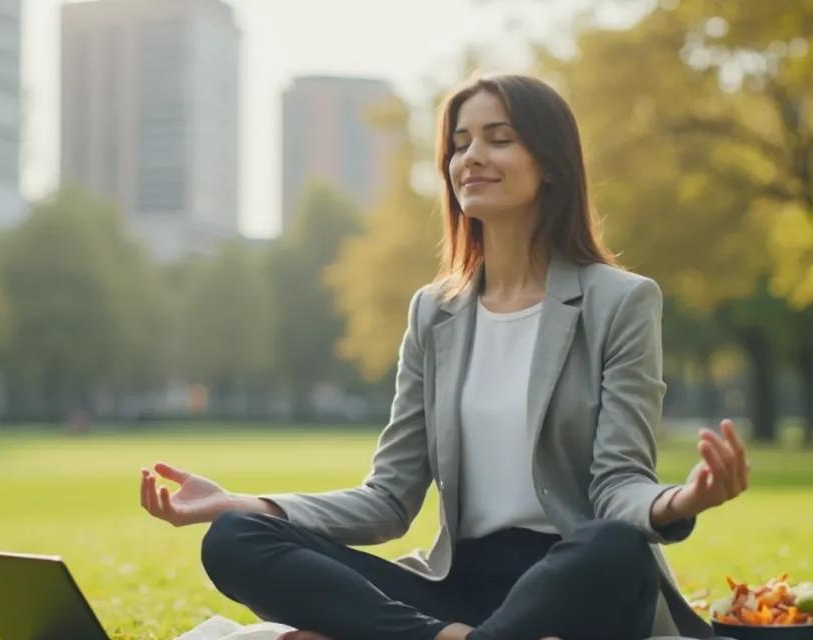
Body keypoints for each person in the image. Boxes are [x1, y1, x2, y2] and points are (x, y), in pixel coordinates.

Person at [139, 74, 750, 640]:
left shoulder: (620, 301)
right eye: (460, 144)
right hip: (452, 596)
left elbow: (618, 485)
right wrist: (239, 502)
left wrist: (681, 501)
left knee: (614, 547)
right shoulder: (434, 313)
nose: (472, 157)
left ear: (551, 165)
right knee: (235, 538)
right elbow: (388, 500)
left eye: (499, 139)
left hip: (573, 583)